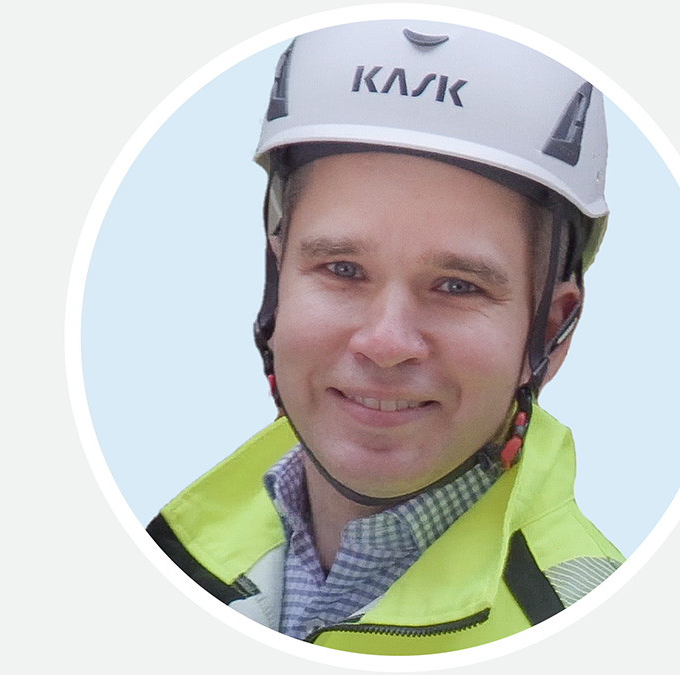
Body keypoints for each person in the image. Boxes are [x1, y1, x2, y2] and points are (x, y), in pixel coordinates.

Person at [147, 19, 624, 655]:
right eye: (342, 270)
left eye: (457, 286)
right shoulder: (162, 562)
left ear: (552, 331)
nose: (386, 342)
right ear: (278, 283)